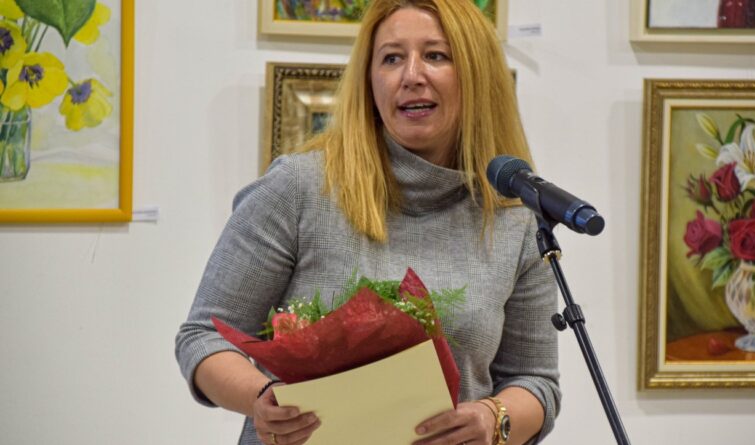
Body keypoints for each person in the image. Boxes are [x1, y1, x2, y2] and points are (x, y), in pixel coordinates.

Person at [175, 0, 561, 444]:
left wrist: (493, 419)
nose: (411, 75)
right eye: (391, 58)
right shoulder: (299, 188)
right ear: (370, 79)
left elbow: (536, 381)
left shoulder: (515, 216)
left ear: (477, 73)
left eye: (435, 55)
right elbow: (203, 337)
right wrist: (262, 398)